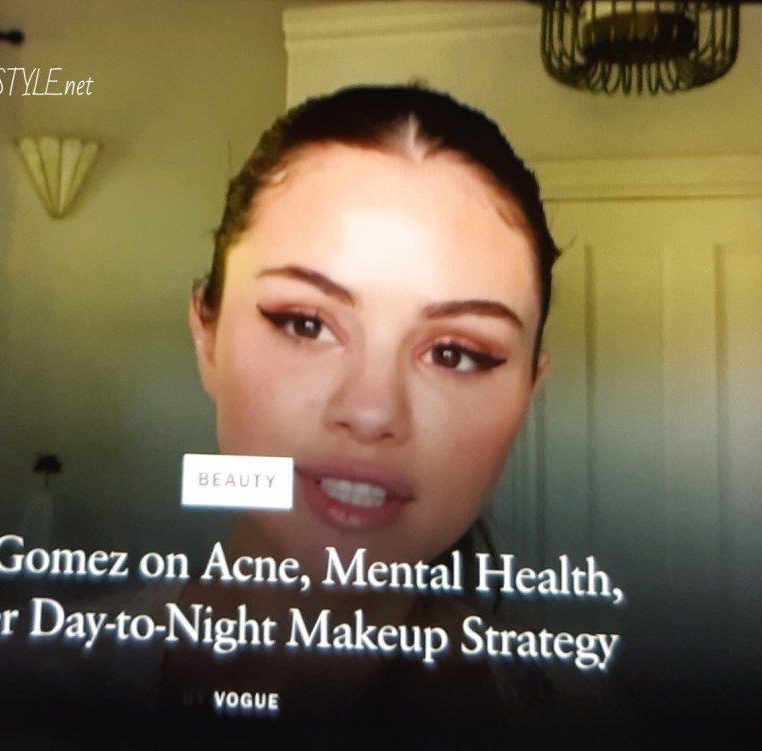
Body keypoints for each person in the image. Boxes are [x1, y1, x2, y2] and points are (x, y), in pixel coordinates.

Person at [170, 84, 562, 726]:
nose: (372, 411)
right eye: (305, 324)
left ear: (526, 392)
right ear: (207, 338)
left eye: (456, 353)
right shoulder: (17, 688)